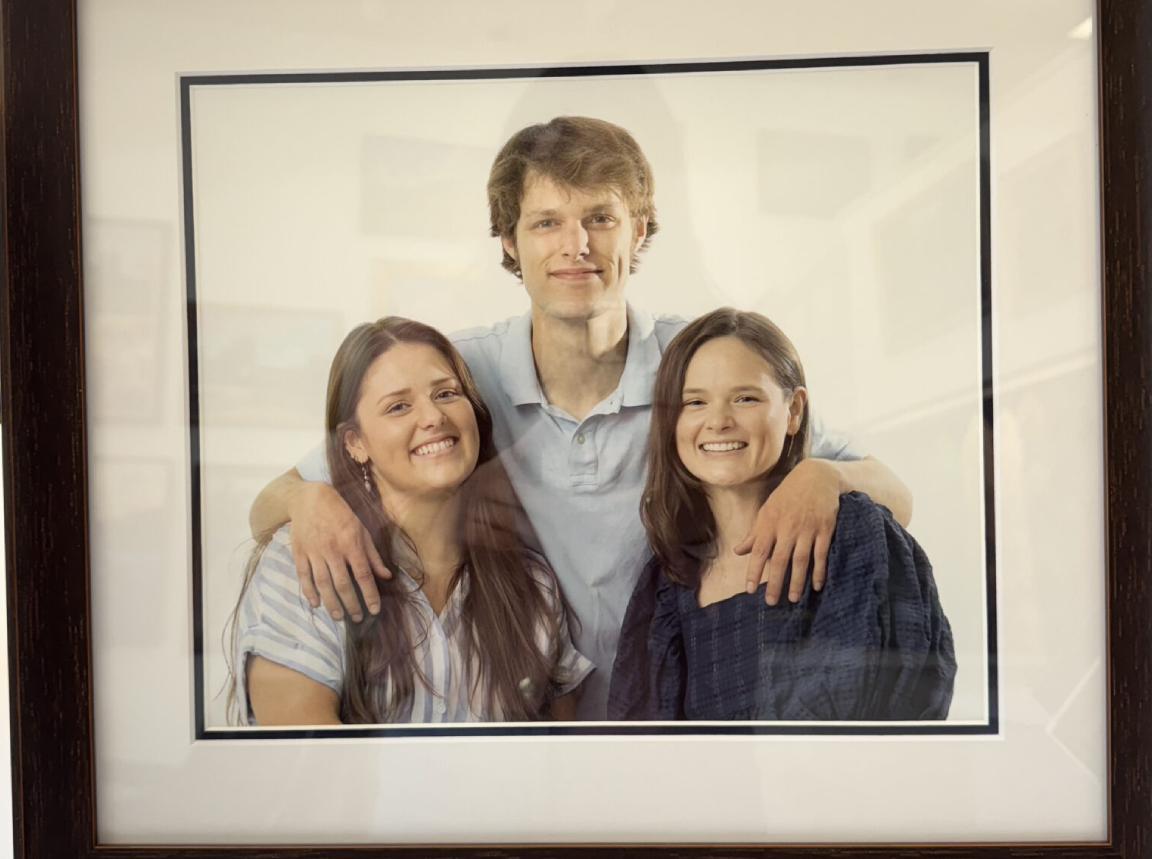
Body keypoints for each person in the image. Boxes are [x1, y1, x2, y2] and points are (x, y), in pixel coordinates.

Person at [248, 117, 914, 719]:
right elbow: (267, 506)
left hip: (680, 709)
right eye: (546, 223)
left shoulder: (700, 366)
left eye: (600, 218)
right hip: (540, 715)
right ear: (509, 242)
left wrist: (823, 476)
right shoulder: (457, 379)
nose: (577, 246)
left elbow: (895, 495)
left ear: (639, 230)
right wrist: (308, 499)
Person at [230, 317, 591, 726]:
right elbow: (303, 757)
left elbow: (556, 756)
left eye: (446, 393)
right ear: (355, 443)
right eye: (398, 406)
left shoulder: (532, 587)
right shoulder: (302, 564)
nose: (433, 416)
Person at [607, 310, 955, 721]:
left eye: (745, 398)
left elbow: (907, 718)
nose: (718, 421)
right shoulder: (663, 587)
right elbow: (640, 745)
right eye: (695, 402)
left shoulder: (855, 538)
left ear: (793, 411)